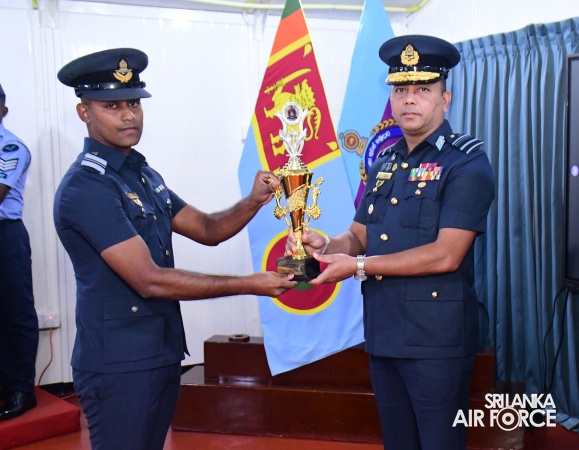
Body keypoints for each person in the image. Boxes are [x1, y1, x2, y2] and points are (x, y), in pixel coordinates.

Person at [54, 48, 297, 450]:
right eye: (112, 106)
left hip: (158, 352)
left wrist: (254, 200)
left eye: (134, 103)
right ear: (85, 113)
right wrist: (250, 284)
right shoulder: (87, 187)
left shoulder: (142, 175)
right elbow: (149, 280)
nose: (128, 116)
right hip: (119, 363)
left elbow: (207, 228)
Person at [286, 35, 495, 450]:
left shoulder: (466, 163)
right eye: (400, 90)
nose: (409, 99)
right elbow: (359, 235)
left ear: (445, 99)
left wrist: (359, 266)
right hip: (385, 333)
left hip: (435, 341)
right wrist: (324, 244)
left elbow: (446, 255)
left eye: (423, 89)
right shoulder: (385, 163)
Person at [0, 84, 39, 421]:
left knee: (15, 313)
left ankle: (20, 390)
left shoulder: (10, 147)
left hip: (5, 236)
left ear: (3, 110)